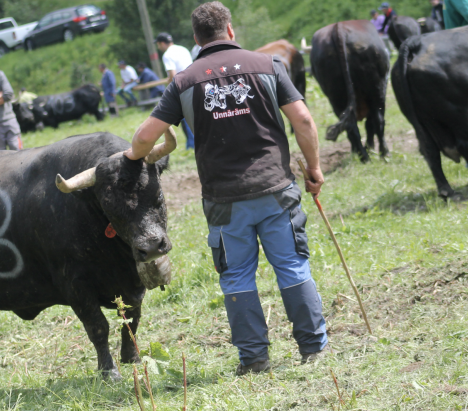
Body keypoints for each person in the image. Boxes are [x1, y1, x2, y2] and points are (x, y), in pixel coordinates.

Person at [126, 1, 329, 375]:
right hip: (275, 189)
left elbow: (143, 137)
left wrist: (133, 155)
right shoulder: (267, 65)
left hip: (224, 201)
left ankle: (254, 360)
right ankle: (313, 348)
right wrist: (313, 168)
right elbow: (302, 118)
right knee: (291, 266)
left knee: (236, 277)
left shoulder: (184, 81)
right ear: (230, 31)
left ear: (196, 39)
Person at [155, 32, 195, 149]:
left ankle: (192, 144)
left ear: (162, 43)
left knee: (184, 117)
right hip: (195, 82)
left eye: (158, 44)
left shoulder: (167, 55)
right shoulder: (183, 49)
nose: (158, 47)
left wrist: (169, 87)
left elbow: (173, 76)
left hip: (183, 87)